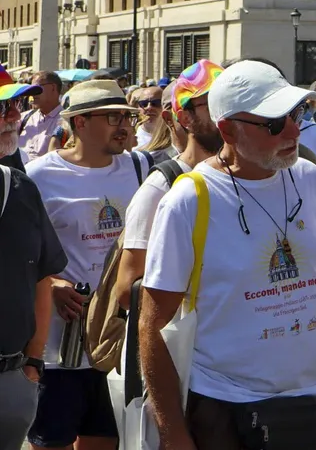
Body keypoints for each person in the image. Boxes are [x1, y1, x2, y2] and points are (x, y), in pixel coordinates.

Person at [139, 60, 316, 450]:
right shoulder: (188, 199)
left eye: (295, 114)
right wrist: (173, 433)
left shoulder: (309, 177)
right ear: (227, 130)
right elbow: (153, 324)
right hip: (224, 410)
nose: (292, 130)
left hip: (312, 403)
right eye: (273, 123)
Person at [25, 80, 150, 450]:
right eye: (113, 117)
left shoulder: (142, 167)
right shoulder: (38, 176)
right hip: (60, 347)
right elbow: (19, 253)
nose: (124, 125)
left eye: (127, 115)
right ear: (79, 123)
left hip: (119, 342)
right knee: (52, 441)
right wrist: (52, 285)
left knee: (105, 441)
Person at [115, 60, 225, 312]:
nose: (224, 112)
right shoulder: (161, 187)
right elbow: (126, 289)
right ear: (184, 117)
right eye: (211, 103)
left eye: (228, 100)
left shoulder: (238, 177)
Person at [0, 81, 67, 450]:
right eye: (3, 108)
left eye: (17, 105)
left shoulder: (21, 188)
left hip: (10, 382)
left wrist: (33, 364)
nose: (15, 117)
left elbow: (42, 275)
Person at [19, 71, 64, 160]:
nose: (32, 93)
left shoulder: (67, 122)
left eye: (36, 88)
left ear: (53, 88)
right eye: (30, 89)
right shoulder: (23, 118)